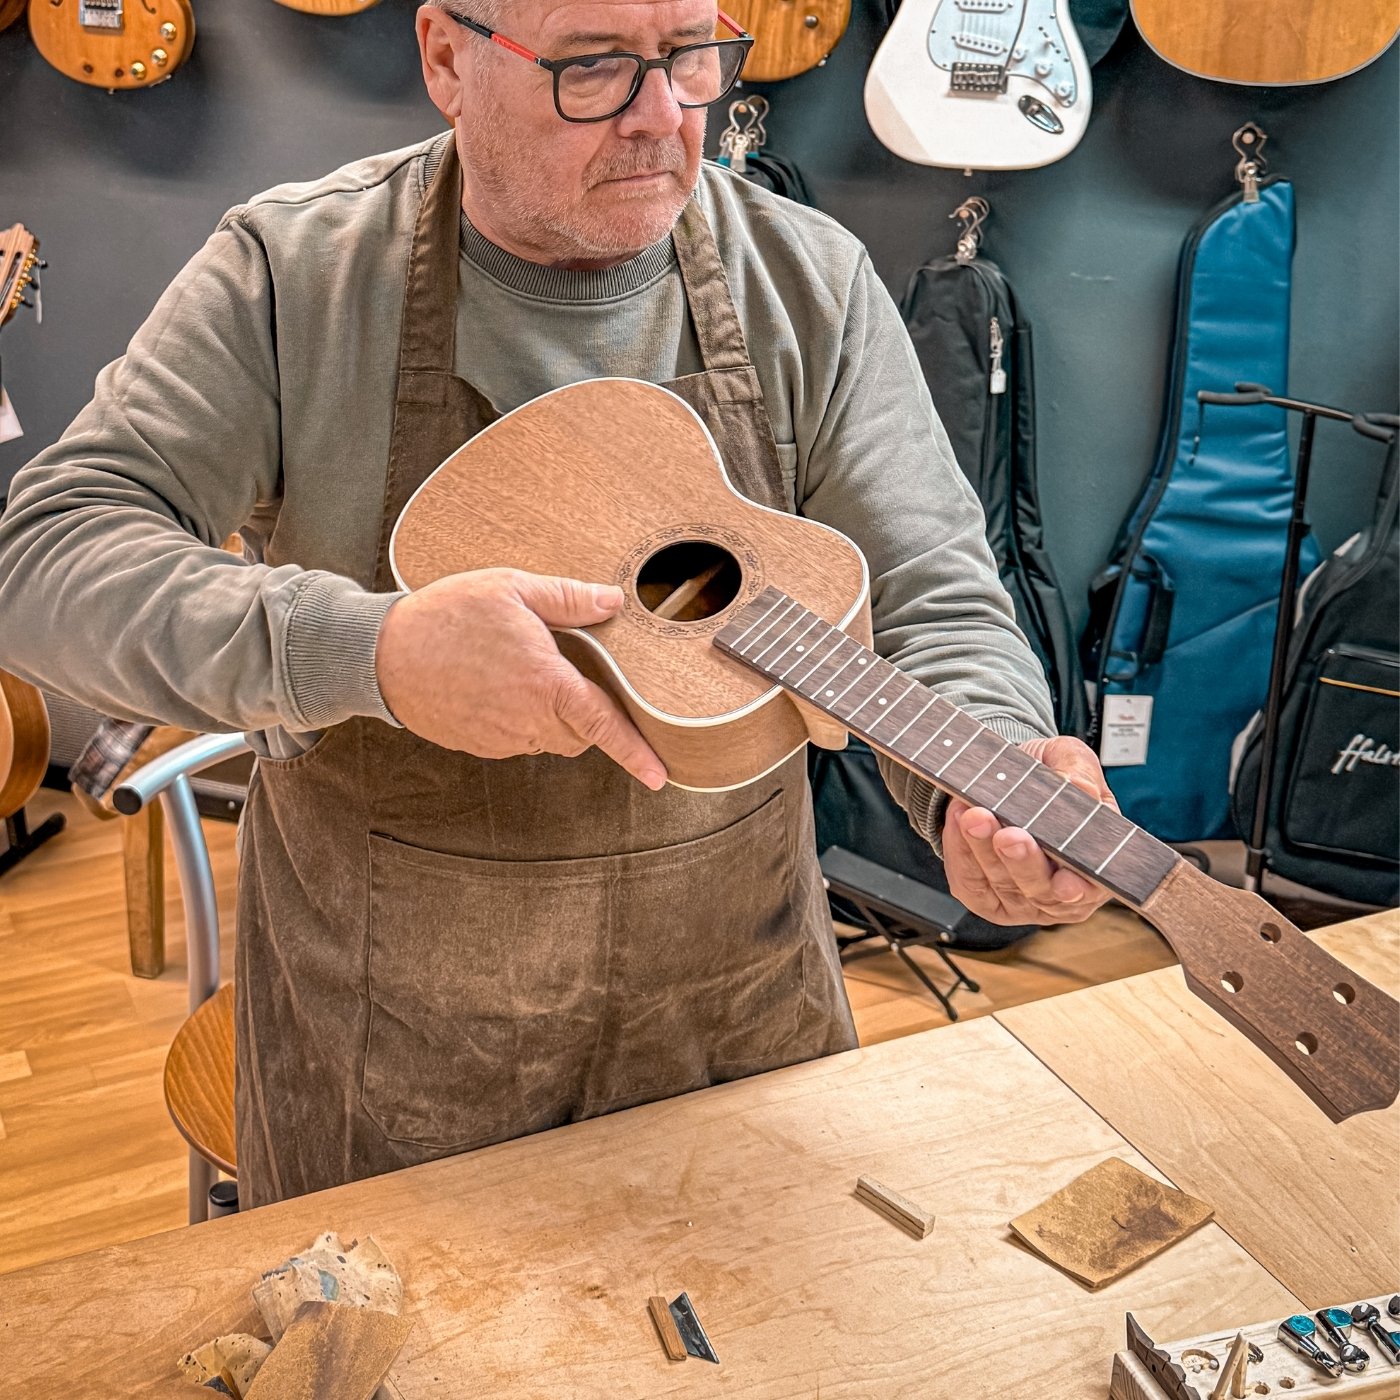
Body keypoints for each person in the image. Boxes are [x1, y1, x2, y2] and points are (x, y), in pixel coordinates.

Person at [0, 0, 1115, 1208]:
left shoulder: (805, 279)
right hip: (395, 1053)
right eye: (591, 68)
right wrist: (366, 649)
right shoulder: (293, 275)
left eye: (691, 55)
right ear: (445, 57)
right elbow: (47, 556)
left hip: (734, 1021)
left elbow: (928, 593)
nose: (660, 117)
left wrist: (984, 770)